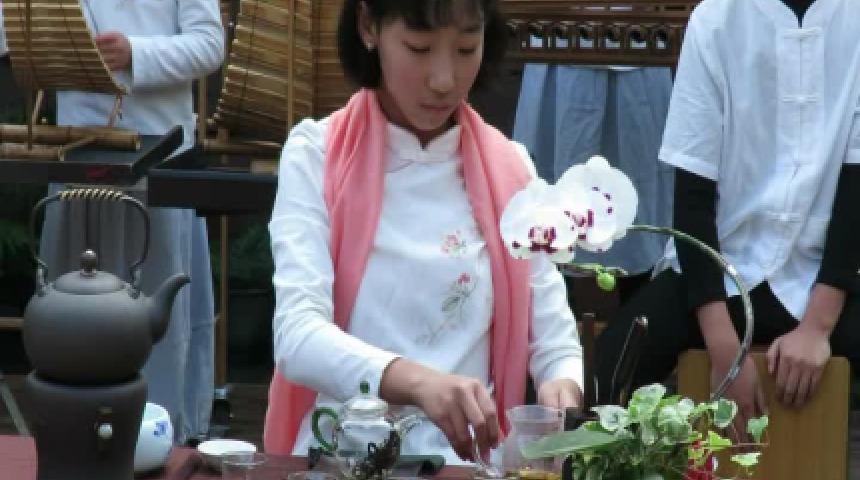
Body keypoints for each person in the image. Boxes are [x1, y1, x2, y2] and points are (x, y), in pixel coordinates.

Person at [263, 0, 585, 464]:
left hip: (469, 464)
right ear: (368, 26)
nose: (444, 79)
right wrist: (418, 383)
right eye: (419, 48)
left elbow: (552, 338)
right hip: (347, 461)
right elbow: (297, 335)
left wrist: (562, 384)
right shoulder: (316, 156)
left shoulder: (511, 170)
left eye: (466, 49)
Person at [595, 0, 860, 438]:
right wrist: (725, 351)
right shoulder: (716, 19)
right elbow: (692, 196)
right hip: (721, 265)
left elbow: (855, 191)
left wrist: (816, 327)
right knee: (612, 370)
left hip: (832, 271)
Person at [0, 0, 225, 443]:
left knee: (157, 324)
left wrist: (134, 53)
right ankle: (71, 439)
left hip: (159, 156)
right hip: (76, 153)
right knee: (69, 319)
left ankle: (159, 444)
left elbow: (209, 44)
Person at [513, 53, 674, 304]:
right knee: (546, 218)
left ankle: (641, 320)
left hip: (639, 58)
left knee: (643, 218)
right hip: (561, 53)